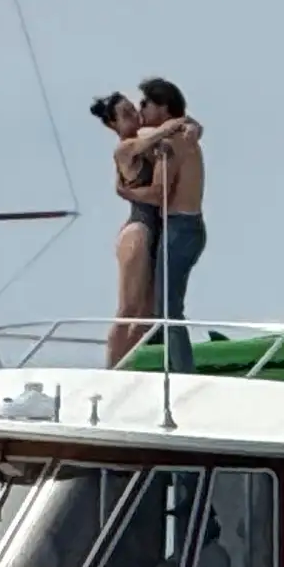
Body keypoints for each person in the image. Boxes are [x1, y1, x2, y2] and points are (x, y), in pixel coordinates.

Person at [89, 93, 165, 367]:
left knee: (149, 313)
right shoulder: (126, 148)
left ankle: (127, 366)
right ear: (113, 124)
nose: (134, 115)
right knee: (128, 309)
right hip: (139, 231)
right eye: (126, 114)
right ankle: (110, 370)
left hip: (157, 231)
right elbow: (155, 138)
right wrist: (178, 122)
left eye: (134, 110)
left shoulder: (147, 141)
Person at [136, 76, 207, 358]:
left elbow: (158, 194)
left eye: (145, 104)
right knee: (161, 305)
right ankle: (159, 361)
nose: (141, 110)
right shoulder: (178, 135)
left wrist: (124, 191)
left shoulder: (173, 143)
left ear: (163, 107)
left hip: (181, 226)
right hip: (183, 227)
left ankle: (179, 369)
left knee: (168, 308)